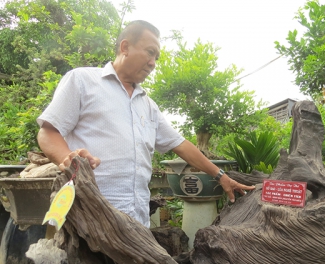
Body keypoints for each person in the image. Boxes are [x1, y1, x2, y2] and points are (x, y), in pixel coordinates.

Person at [37, 19, 254, 228]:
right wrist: (69, 159)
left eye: (157, 57)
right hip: (91, 212)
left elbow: (180, 145)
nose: (153, 63)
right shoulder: (83, 81)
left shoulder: (148, 105)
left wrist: (221, 176)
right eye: (150, 52)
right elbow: (48, 132)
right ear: (125, 47)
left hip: (136, 217)